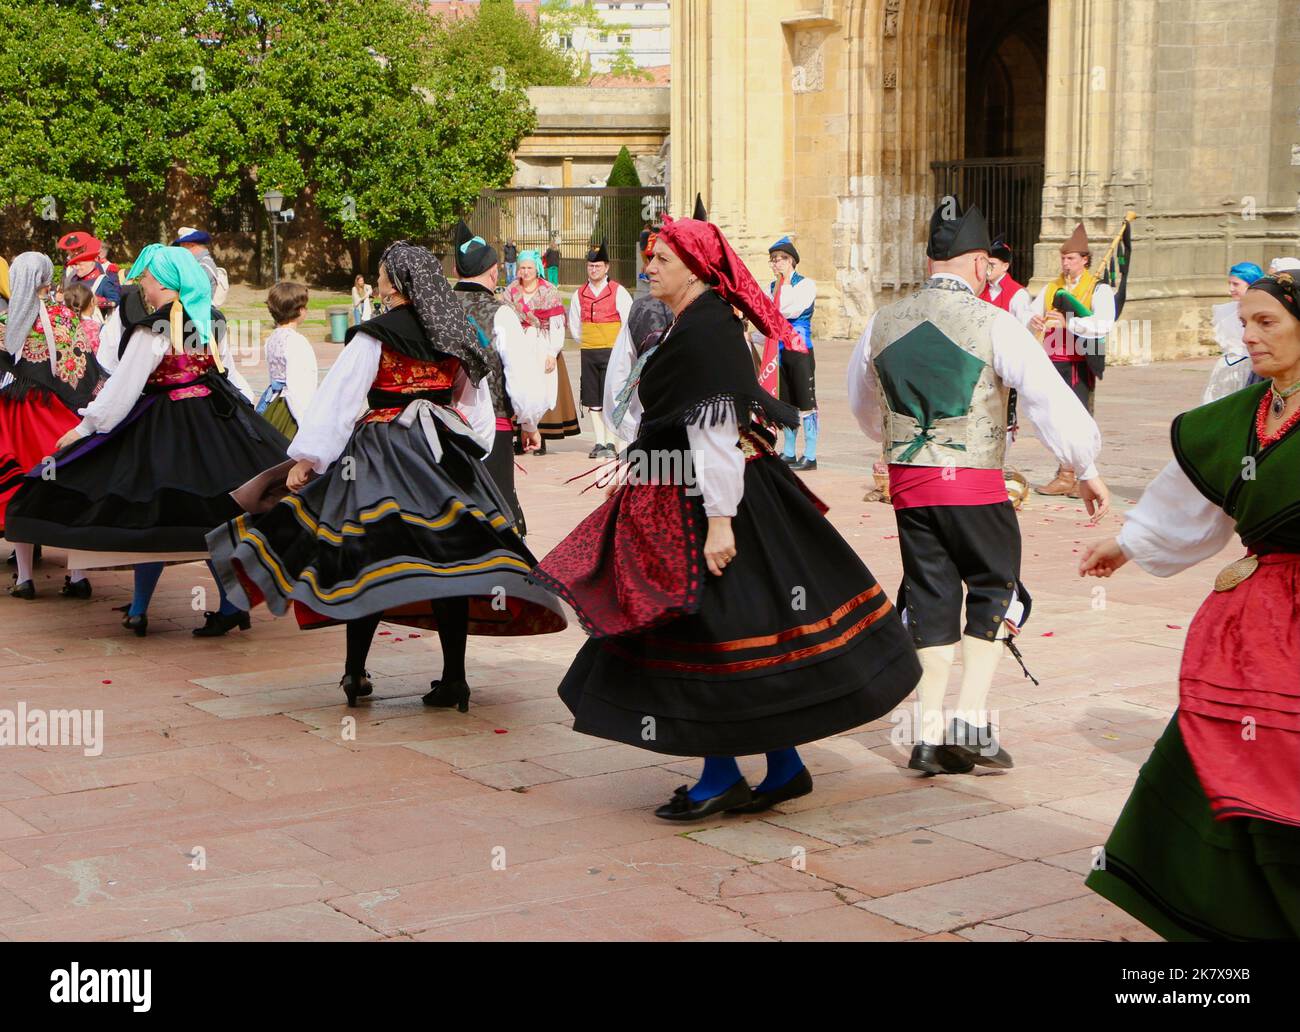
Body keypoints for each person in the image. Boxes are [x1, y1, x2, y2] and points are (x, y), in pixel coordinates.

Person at [533, 212, 921, 821]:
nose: (651, 266)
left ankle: (719, 778)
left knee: (709, 633)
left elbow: (714, 433)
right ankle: (784, 765)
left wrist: (719, 523)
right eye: (651, 257)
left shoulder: (706, 329)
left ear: (694, 267)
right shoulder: (700, 321)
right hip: (700, 491)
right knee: (743, 624)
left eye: (661, 258)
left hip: (709, 501)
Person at [207, 242, 567, 709]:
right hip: (441, 453)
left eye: (381, 273)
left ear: (394, 283)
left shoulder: (374, 334)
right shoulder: (455, 329)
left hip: (381, 451)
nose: (377, 279)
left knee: (369, 558)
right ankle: (454, 678)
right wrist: (470, 450)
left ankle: (355, 673)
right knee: (449, 563)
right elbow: (470, 401)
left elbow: (340, 399)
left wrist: (308, 459)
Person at [848, 199, 1110, 774]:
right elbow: (1045, 395)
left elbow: (863, 405)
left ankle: (928, 732)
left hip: (910, 484)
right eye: (988, 263)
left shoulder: (881, 322)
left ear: (929, 260)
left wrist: (891, 440)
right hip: (973, 483)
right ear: (976, 263)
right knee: (997, 587)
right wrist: (1083, 466)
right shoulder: (997, 324)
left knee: (931, 595)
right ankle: (967, 720)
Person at [1079, 271, 1300, 941]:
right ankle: (1229, 918)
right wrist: (1127, 544)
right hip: (1251, 631)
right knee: (1215, 757)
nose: (1249, 334)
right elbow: (1192, 500)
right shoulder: (1245, 413)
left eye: (1267, 322)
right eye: (1246, 321)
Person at [4, 246, 288, 636]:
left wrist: (85, 428)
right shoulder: (208, 321)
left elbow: (124, 387)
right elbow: (227, 374)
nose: (143, 286)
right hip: (215, 425)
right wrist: (250, 422)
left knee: (154, 516)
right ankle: (227, 605)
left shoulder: (152, 327)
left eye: (148, 279)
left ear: (165, 283)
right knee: (210, 517)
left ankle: (149, 609)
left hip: (166, 428)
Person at [0, 253, 104, 600]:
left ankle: (25, 579)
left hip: (15, 420)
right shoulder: (65, 318)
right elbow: (85, 371)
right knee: (68, 490)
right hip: (59, 419)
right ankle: (76, 577)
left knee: (20, 491)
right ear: (48, 277)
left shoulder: (5, 320)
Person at [451, 221, 548, 534]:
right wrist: (531, 424)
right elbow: (520, 379)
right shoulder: (501, 314)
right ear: (494, 271)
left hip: (440, 428)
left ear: (456, 269)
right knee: (496, 517)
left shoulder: (438, 312)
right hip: (493, 429)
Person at [1027, 223, 1116, 497]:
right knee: (1056, 417)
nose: (1066, 264)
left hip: (1079, 360)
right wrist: (1034, 320)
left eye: (1071, 259)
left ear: (1085, 260)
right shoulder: (1053, 287)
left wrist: (1069, 323)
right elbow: (1030, 313)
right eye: (1063, 258)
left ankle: (1083, 475)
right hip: (1053, 359)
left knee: (1079, 417)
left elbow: (1103, 324)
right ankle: (1065, 474)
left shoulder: (1098, 288)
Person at [507, 250, 578, 448]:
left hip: (542, 343)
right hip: (519, 346)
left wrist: (552, 353)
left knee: (543, 387)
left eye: (529, 267)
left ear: (537, 268)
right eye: (522, 267)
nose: (526, 271)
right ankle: (520, 435)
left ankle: (542, 435)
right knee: (519, 387)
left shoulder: (548, 291)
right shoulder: (511, 290)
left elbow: (556, 323)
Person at [568, 241, 633, 459]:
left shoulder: (619, 291)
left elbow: (627, 321)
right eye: (590, 266)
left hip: (612, 352)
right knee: (593, 399)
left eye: (597, 266)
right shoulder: (580, 294)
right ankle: (599, 441)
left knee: (611, 397)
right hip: (589, 351)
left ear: (606, 268)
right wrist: (587, 340)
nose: (593, 270)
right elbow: (575, 324)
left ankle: (612, 442)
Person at [760, 236, 819, 470]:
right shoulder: (770, 288)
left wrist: (782, 287)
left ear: (793, 261)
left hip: (799, 349)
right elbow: (765, 317)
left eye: (782, 259)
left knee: (806, 401)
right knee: (786, 403)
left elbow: (789, 309)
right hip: (779, 351)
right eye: (773, 260)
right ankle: (789, 451)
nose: (777, 264)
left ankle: (811, 455)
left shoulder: (806, 285)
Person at [255, 281, 318, 439]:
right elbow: (301, 384)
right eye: (304, 306)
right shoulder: (297, 341)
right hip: (291, 407)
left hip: (273, 401)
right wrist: (306, 420)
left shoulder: (272, 338)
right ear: (298, 310)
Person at [1203, 261, 1265, 403]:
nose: (1231, 289)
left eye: (1236, 284)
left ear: (1250, 285)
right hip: (1226, 367)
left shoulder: (1262, 311)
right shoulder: (1224, 310)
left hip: (1250, 365)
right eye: (1229, 284)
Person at [59, 234, 120, 321]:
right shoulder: (74, 279)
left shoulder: (103, 281)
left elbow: (115, 301)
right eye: (75, 265)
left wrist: (95, 301)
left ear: (90, 262)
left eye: (80, 264)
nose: (77, 268)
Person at [979, 234, 1032, 325]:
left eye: (992, 264)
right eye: (986, 264)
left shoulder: (1019, 294)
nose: (987, 268)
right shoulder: (980, 289)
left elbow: (1023, 330)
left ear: (1005, 266)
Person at [173, 228, 228, 306]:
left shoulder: (204, 265)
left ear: (191, 245)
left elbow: (192, 293)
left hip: (197, 314)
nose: (180, 252)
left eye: (182, 247)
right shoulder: (197, 264)